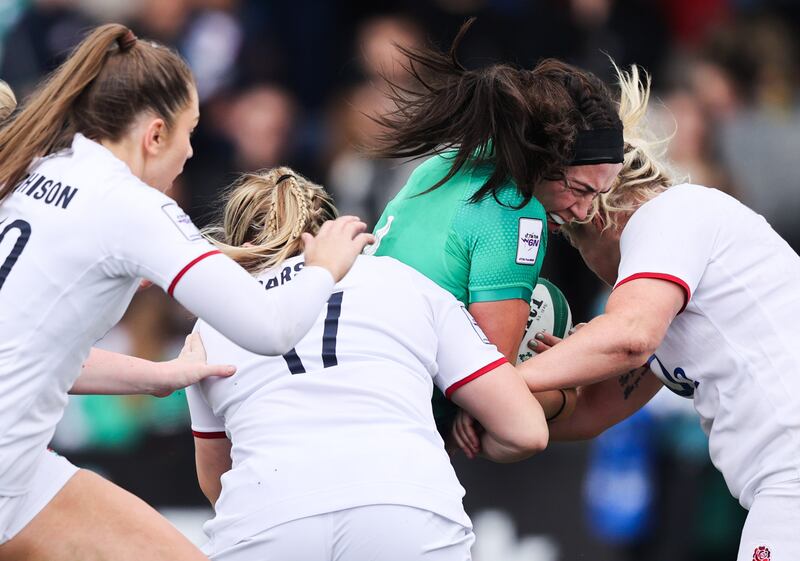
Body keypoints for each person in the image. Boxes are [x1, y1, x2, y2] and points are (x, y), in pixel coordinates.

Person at [0, 24, 371, 561]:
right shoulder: (130, 206)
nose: (192, 151)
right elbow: (271, 329)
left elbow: (36, 353)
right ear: (154, 135)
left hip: (22, 467)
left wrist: (160, 376)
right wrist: (323, 267)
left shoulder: (36, 170)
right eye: (189, 132)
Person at [463, 65, 800, 561]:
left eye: (573, 236)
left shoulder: (671, 214)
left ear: (593, 216)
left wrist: (489, 380)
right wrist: (482, 416)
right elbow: (594, 410)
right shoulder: (670, 290)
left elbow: (630, 335)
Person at [186, 167, 568, 561]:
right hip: (405, 505)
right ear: (328, 229)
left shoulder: (213, 322)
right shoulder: (406, 282)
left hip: (266, 519)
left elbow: (217, 480)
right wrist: (459, 434)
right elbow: (526, 431)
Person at [368, 19, 624, 434]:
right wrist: (570, 375)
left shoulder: (447, 159)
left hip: (354, 370)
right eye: (580, 189)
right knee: (548, 414)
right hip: (397, 409)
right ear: (544, 161)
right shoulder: (519, 211)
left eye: (599, 194)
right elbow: (492, 380)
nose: (583, 212)